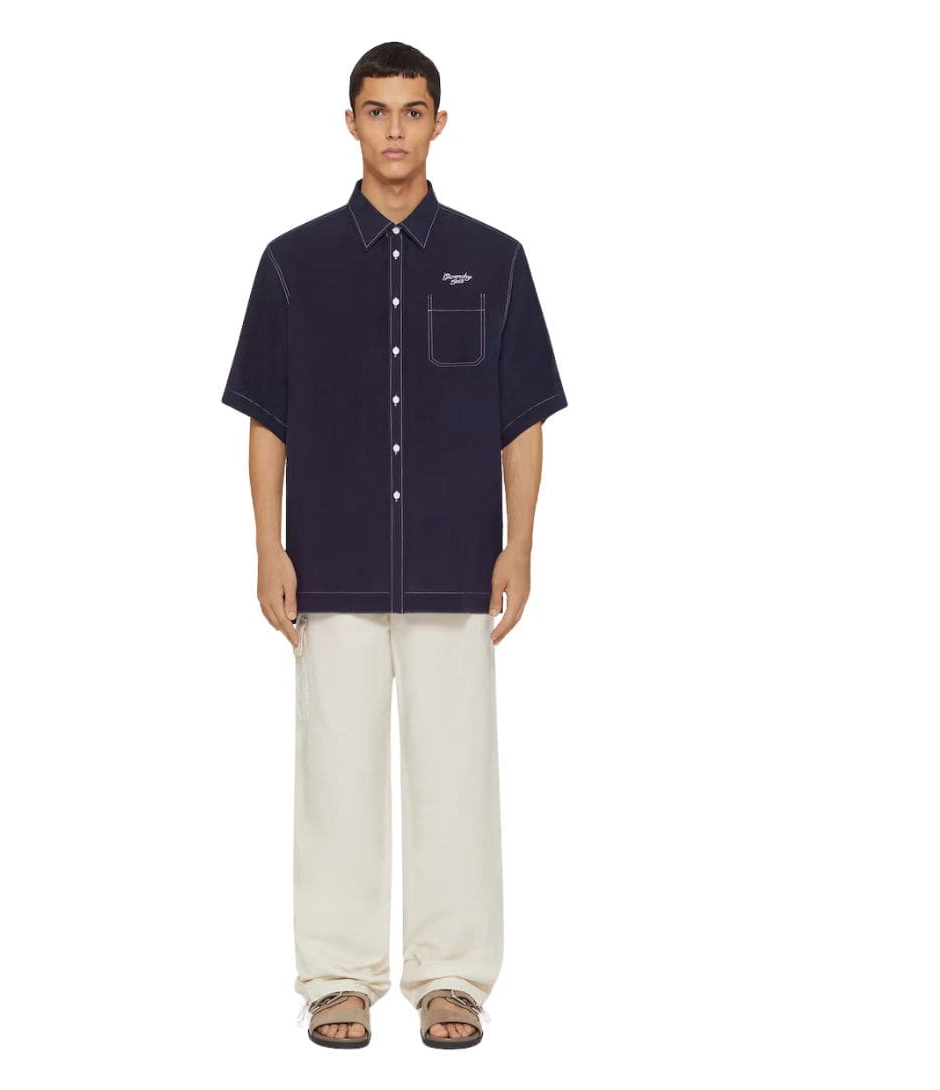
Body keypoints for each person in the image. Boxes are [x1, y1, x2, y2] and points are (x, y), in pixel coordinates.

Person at [221, 41, 568, 1049]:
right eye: (377, 111)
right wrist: (267, 548)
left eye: (413, 111)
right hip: (329, 562)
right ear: (350, 123)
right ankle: (337, 978)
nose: (395, 130)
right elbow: (267, 419)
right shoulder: (292, 265)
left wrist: (521, 546)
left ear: (439, 123)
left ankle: (452, 978)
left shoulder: (496, 261)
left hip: (457, 562)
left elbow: (522, 420)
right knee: (336, 776)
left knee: (456, 777)